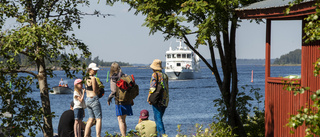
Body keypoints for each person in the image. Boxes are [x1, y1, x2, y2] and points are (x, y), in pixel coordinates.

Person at [107, 62, 134, 137]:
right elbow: (130, 88)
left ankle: (123, 135)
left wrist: (109, 98)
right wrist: (131, 99)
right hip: (127, 100)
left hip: (119, 101)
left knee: (120, 120)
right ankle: (124, 134)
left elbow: (114, 91)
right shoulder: (125, 76)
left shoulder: (113, 78)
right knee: (124, 120)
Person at [147, 59, 169, 136]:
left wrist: (149, 98)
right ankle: (158, 134)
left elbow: (152, 88)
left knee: (158, 119)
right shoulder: (165, 75)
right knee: (159, 118)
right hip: (165, 100)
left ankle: (163, 134)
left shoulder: (154, 75)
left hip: (157, 100)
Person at [84, 63, 102, 137]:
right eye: (94, 70)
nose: (95, 72)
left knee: (91, 118)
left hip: (87, 99)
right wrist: (99, 89)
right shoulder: (93, 78)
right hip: (93, 98)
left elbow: (86, 88)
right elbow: (95, 90)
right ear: (90, 70)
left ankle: (85, 135)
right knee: (98, 118)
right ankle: (98, 135)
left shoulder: (85, 78)